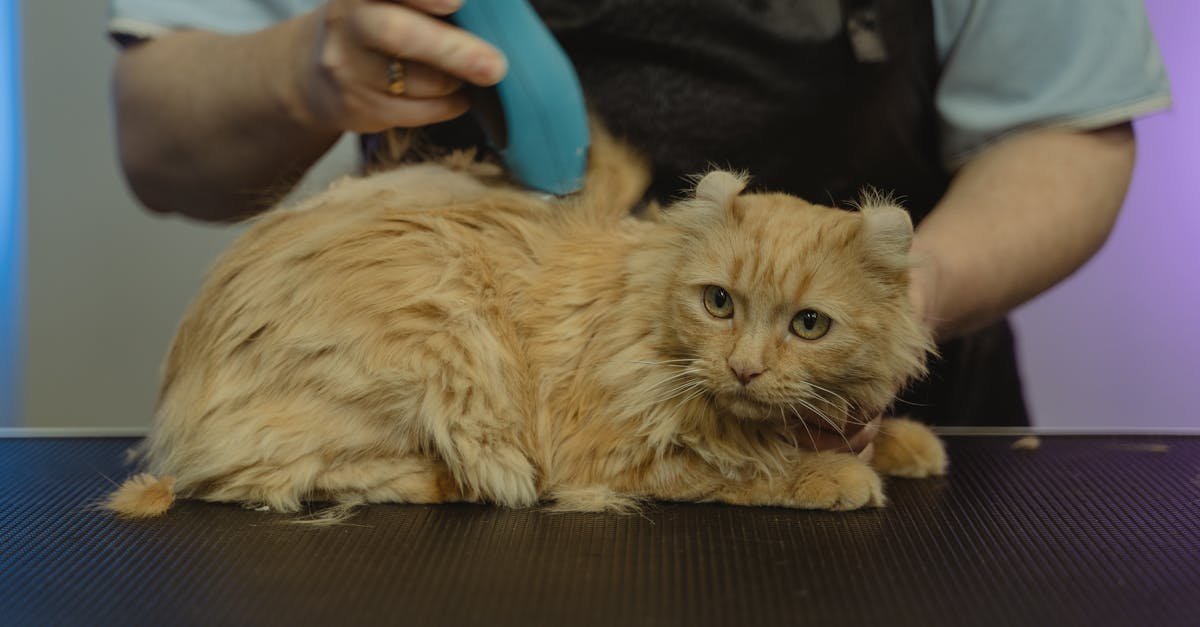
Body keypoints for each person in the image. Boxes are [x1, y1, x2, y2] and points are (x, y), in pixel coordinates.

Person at [106, 0, 1171, 452]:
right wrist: (305, 70)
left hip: (882, 417)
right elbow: (159, 140)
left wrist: (903, 297)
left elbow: (1064, 131)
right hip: (440, 419)